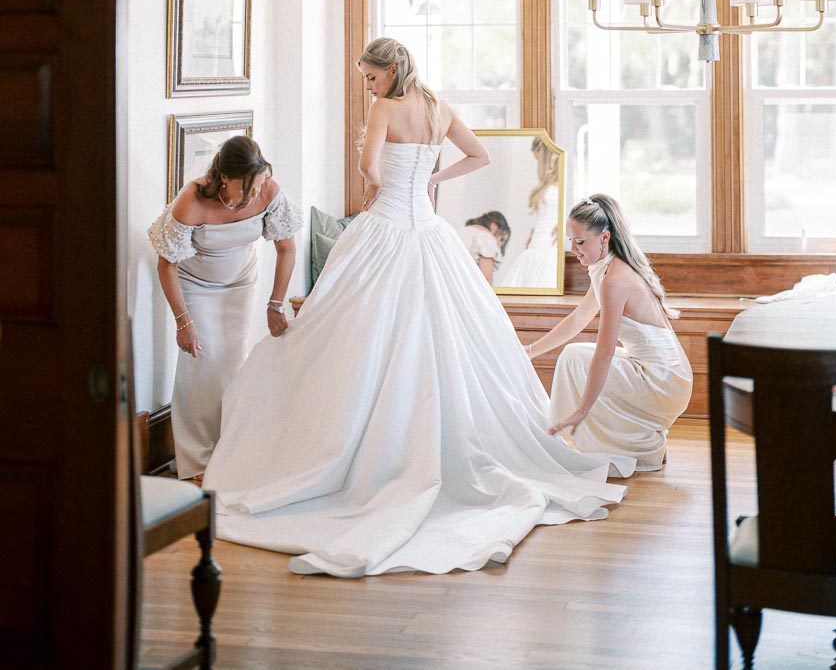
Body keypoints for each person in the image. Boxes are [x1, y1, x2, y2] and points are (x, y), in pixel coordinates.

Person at [203, 38, 627, 577]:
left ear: (389, 72)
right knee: (435, 338)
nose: (368, 87)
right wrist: (431, 178)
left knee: (358, 337)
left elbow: (368, 167)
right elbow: (481, 154)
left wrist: (386, 182)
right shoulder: (436, 107)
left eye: (371, 77)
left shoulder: (386, 108)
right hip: (428, 231)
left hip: (385, 228)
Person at [147, 135, 302, 479]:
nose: (252, 196)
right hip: (196, 286)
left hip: (240, 283)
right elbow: (166, 265)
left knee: (231, 364)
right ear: (224, 178)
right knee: (202, 364)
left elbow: (286, 249)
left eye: (259, 185)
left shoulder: (268, 191)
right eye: (245, 188)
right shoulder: (192, 200)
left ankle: (229, 449)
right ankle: (196, 460)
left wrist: (275, 303)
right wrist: (182, 322)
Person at [526, 193, 693, 473]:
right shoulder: (604, 269)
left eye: (580, 242)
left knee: (580, 360)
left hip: (664, 381)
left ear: (604, 237)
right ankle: (625, 441)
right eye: (571, 240)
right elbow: (578, 319)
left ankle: (635, 445)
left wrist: (582, 411)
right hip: (663, 374)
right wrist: (530, 351)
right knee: (574, 355)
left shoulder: (615, 280)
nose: (573, 249)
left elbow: (604, 352)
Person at [499, 136, 560, 289]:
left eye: (537, 158)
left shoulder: (563, 181)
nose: (538, 164)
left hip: (550, 240)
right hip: (539, 237)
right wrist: (533, 231)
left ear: (541, 150)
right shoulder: (548, 184)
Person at [462, 210, 509, 284]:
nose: (500, 245)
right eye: (501, 239)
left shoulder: (459, 232)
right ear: (493, 226)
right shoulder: (486, 238)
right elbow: (486, 278)